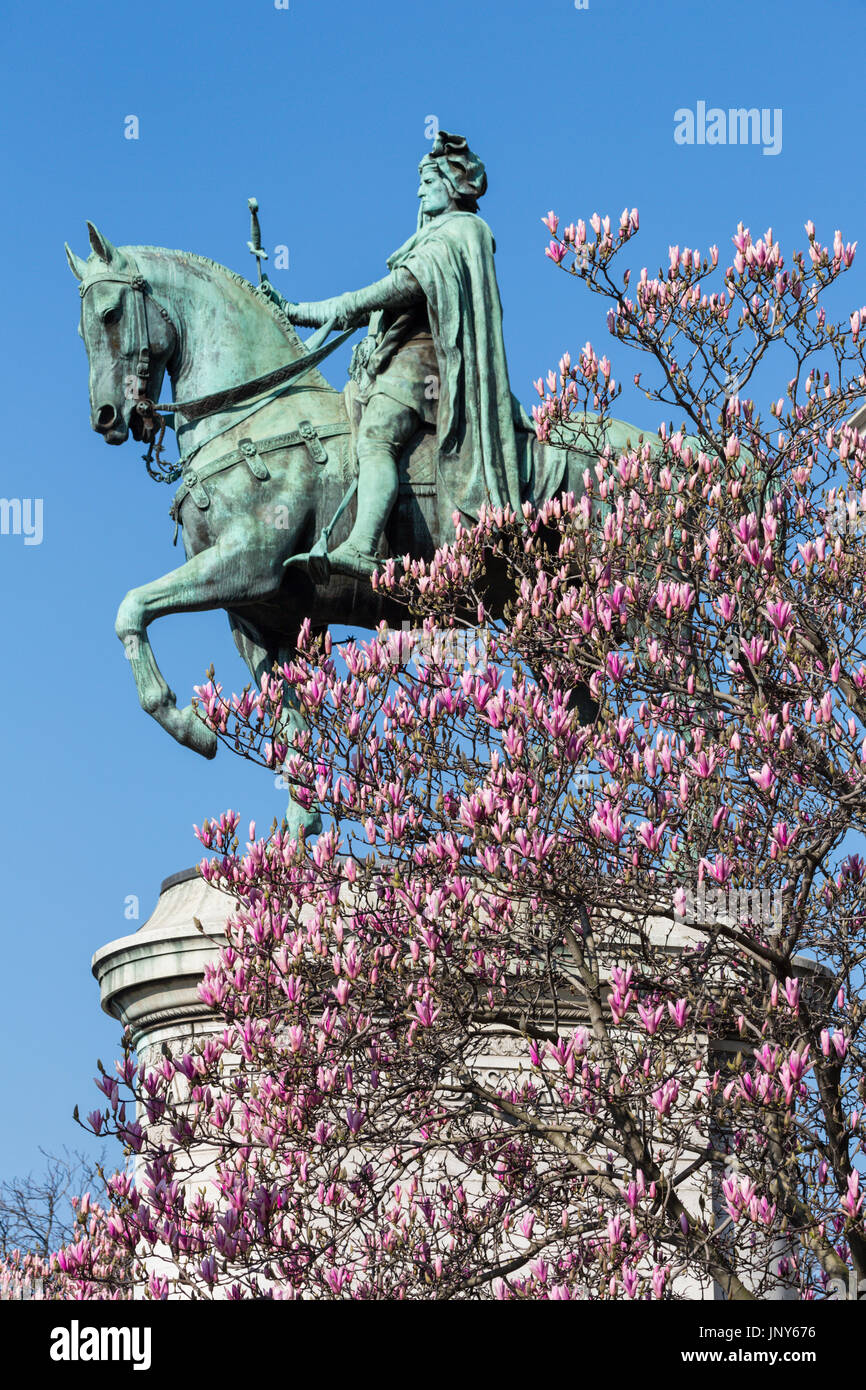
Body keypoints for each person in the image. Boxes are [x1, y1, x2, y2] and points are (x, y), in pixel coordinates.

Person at [275, 131, 524, 582]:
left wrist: (345, 303)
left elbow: (404, 287)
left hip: (428, 363)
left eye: (427, 181)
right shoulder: (430, 237)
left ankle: (364, 546)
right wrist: (294, 311)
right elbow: (369, 305)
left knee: (376, 435)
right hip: (400, 359)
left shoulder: (464, 230)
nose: (418, 190)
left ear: (451, 185)